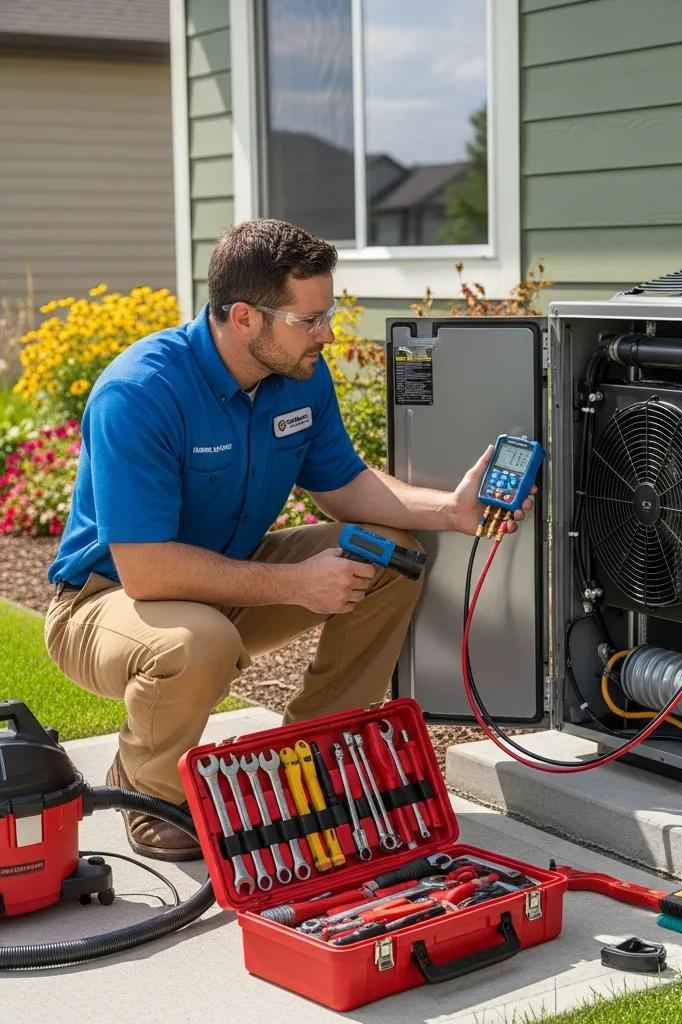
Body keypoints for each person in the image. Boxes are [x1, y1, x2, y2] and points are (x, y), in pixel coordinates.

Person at [44, 218, 533, 861]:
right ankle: (149, 791)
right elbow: (147, 570)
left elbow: (344, 484)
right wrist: (296, 584)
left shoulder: (300, 376)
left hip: (225, 575)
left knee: (391, 554)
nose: (327, 334)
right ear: (245, 318)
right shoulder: (141, 392)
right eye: (310, 320)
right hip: (105, 602)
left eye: (327, 315)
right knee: (198, 643)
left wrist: (451, 510)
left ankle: (309, 762)